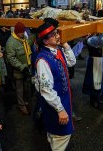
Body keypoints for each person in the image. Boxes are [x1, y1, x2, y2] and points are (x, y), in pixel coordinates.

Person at [35, 22, 76, 151]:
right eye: (54, 35)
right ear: (45, 41)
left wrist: (65, 44)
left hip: (63, 100)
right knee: (61, 136)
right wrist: (60, 109)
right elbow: (46, 89)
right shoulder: (43, 60)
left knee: (55, 137)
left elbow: (71, 62)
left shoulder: (57, 51)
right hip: (55, 105)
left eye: (57, 33)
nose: (58, 36)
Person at [6, 22, 33, 115]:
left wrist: (33, 35)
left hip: (27, 67)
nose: (23, 33)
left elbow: (28, 44)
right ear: (17, 32)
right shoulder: (11, 42)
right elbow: (10, 58)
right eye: (21, 32)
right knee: (19, 89)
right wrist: (22, 67)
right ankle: (21, 105)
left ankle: (25, 101)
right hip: (18, 70)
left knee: (26, 87)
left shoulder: (23, 38)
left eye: (23, 31)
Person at [82, 34, 103, 109]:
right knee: (92, 81)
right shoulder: (90, 39)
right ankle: (92, 100)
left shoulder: (96, 37)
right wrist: (100, 32)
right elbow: (101, 41)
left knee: (98, 79)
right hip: (93, 61)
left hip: (99, 60)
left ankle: (97, 97)